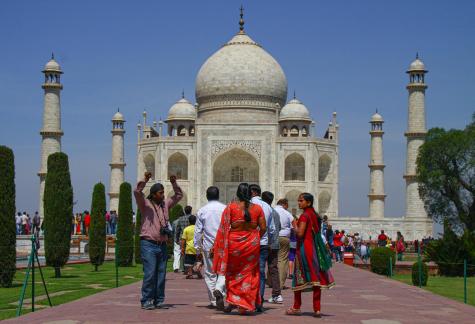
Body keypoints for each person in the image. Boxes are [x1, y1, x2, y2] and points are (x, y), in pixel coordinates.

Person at [212, 183, 266, 315]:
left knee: (233, 274)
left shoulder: (231, 207)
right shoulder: (258, 208)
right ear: (250, 194)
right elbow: (263, 228)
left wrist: (217, 246)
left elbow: (223, 228)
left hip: (234, 244)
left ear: (237, 193)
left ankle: (233, 301)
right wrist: (254, 237)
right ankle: (245, 304)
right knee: (250, 274)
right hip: (252, 244)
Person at [134, 172, 183, 310]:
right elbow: (137, 191)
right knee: (150, 273)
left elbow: (179, 196)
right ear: (154, 194)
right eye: (160, 193)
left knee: (161, 273)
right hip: (148, 243)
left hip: (161, 244)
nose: (163, 195)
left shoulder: (165, 205)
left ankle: (158, 299)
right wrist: (145, 179)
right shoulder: (145, 204)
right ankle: (146, 300)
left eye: (163, 193)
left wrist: (174, 183)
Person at [286, 193, 335, 318]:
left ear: (308, 202)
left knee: (298, 277)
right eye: (298, 200)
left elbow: (300, 234)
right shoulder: (315, 216)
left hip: (303, 249)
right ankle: (317, 309)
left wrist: (294, 225)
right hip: (314, 249)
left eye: (301, 201)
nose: (299, 203)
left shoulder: (304, 216)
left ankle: (296, 307)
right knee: (316, 278)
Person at [194, 186, 226, 310]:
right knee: (223, 271)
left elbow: (197, 232)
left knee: (210, 273)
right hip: (223, 245)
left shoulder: (202, 210)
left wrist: (197, 248)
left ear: (207, 196)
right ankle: (219, 290)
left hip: (208, 246)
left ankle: (214, 300)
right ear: (219, 196)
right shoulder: (225, 209)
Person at [249, 184, 275, 312]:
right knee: (260, 272)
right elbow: (272, 229)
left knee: (246, 272)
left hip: (248, 243)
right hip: (263, 244)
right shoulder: (268, 207)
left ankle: (246, 300)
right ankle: (259, 301)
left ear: (252, 192)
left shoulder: (246, 204)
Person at [262, 191, 283, 304]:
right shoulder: (275, 212)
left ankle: (258, 295)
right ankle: (277, 294)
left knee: (259, 270)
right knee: (273, 269)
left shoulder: (262, 211)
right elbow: (278, 228)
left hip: (264, 244)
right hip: (274, 245)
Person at [274, 198, 294, 290]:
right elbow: (294, 224)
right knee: (282, 260)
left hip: (272, 238)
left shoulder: (272, 210)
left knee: (272, 260)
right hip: (284, 238)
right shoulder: (286, 213)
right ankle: (280, 284)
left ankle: (271, 282)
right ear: (284, 204)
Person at [181, 215, 201, 279]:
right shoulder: (198, 229)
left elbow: (183, 240)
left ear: (189, 221)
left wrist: (182, 248)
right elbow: (202, 238)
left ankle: (190, 274)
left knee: (189, 262)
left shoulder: (186, 229)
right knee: (199, 260)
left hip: (189, 248)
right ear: (196, 221)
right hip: (198, 247)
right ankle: (198, 270)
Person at [175, 206, 191, 273]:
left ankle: (183, 268)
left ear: (184, 211)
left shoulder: (180, 219)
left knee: (183, 252)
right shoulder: (193, 218)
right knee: (191, 253)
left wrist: (176, 238)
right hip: (190, 237)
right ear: (191, 210)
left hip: (182, 238)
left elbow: (177, 230)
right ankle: (190, 268)